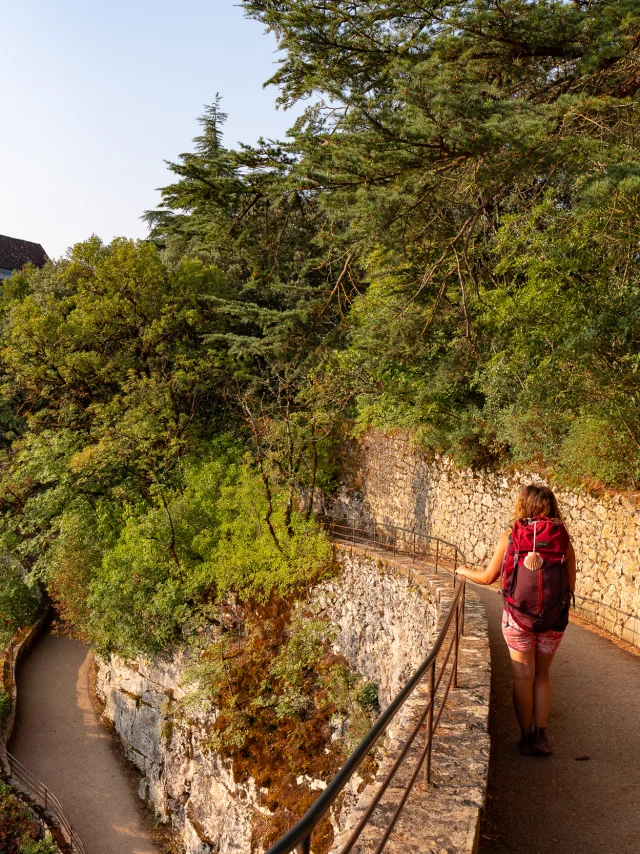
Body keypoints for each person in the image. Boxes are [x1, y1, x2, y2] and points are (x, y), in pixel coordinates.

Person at [456, 484, 576, 756]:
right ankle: (541, 736)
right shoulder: (562, 539)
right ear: (552, 506)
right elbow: (570, 586)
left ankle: (525, 736)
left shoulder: (510, 537)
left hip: (517, 619)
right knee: (542, 675)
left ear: (523, 505)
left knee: (523, 677)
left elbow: (488, 578)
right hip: (553, 620)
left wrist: (464, 570)